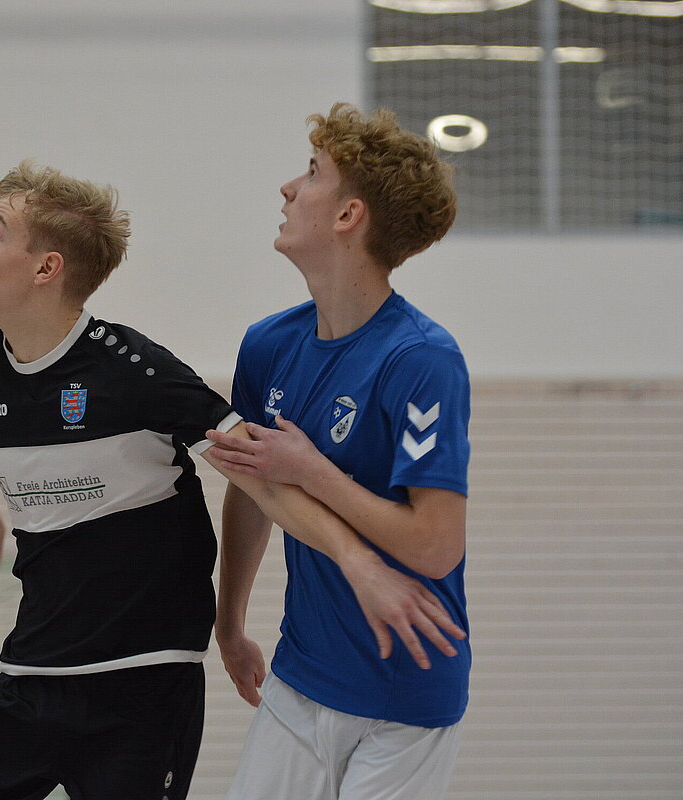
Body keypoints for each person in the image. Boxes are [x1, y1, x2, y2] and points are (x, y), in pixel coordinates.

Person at [0, 160, 465, 800]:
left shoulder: (136, 370)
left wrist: (353, 562)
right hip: (30, 677)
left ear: (46, 268)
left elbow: (261, 481)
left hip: (144, 686)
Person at [204, 103, 471, 799]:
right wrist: (229, 622)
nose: (289, 188)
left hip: (405, 694)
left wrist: (314, 472)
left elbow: (435, 545)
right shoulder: (268, 344)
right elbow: (253, 490)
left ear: (350, 216)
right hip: (301, 676)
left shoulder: (421, 359)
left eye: (313, 173)